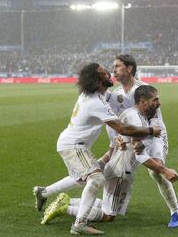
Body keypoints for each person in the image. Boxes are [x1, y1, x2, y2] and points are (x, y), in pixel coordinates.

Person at [36, 62, 161, 235]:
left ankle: (44, 192)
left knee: (81, 179)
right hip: (73, 146)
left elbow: (120, 102)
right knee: (96, 177)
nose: (109, 74)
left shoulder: (99, 95)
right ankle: (79, 223)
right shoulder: (95, 102)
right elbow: (122, 129)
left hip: (74, 144)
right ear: (96, 80)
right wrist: (150, 130)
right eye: (104, 74)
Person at [41, 85, 178, 224]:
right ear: (143, 102)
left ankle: (68, 201)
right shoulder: (134, 117)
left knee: (110, 205)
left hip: (118, 169)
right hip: (120, 173)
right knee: (108, 216)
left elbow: (122, 136)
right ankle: (65, 208)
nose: (159, 103)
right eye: (155, 100)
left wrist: (119, 141)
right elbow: (139, 153)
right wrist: (164, 170)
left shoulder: (133, 114)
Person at [103, 54, 178, 228]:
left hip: (153, 135)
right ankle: (110, 207)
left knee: (156, 171)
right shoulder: (117, 94)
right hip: (131, 136)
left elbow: (155, 118)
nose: (114, 70)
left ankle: (176, 212)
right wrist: (116, 138)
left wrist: (148, 133)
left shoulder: (144, 89)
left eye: (117, 66)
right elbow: (117, 121)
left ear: (129, 68)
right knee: (117, 171)